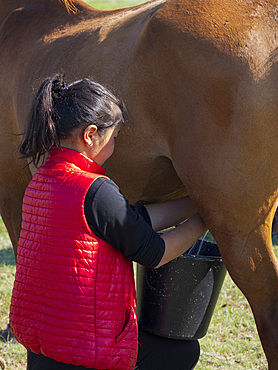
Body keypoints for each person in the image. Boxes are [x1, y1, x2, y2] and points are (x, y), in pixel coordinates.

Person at [9, 74, 207, 370]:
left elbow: (128, 223)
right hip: (85, 350)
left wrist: (195, 202)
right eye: (113, 137)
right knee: (182, 352)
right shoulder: (94, 188)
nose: (114, 145)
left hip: (45, 346)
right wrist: (203, 221)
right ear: (90, 135)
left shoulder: (43, 180)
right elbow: (154, 252)